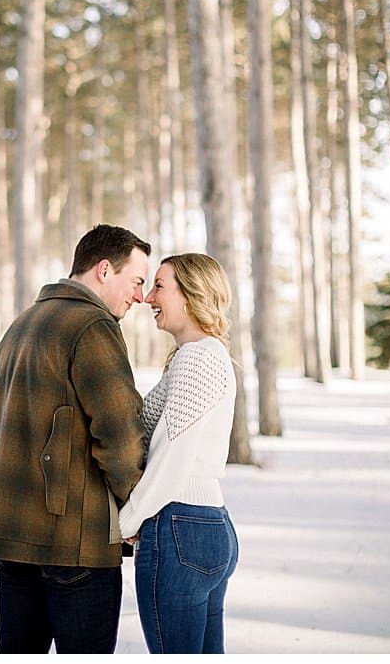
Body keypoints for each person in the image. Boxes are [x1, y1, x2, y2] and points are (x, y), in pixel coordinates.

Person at [0, 224, 151, 653]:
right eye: (136, 281)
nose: (139, 295)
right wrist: (134, 506)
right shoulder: (91, 325)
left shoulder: (22, 325)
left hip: (13, 537)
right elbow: (120, 432)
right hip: (72, 544)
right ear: (103, 270)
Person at [118, 253, 240, 654]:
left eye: (159, 287)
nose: (148, 298)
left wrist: (125, 522)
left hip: (179, 527)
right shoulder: (198, 356)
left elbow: (174, 456)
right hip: (208, 525)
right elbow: (146, 424)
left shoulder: (198, 358)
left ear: (189, 296)